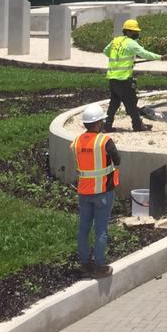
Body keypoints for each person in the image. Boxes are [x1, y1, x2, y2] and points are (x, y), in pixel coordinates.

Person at [71, 103, 118, 277]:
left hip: (84, 192)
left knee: (83, 228)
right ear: (98, 123)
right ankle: (99, 266)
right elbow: (117, 160)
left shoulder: (76, 142)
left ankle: (84, 264)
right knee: (101, 229)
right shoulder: (104, 141)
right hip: (103, 191)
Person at [104, 19, 166, 132]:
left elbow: (106, 51)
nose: (136, 33)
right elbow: (144, 53)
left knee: (114, 103)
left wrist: (119, 59)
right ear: (128, 32)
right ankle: (137, 126)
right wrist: (160, 57)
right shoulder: (131, 43)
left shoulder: (115, 41)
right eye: (134, 31)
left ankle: (107, 125)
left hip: (112, 78)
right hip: (124, 79)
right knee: (131, 103)